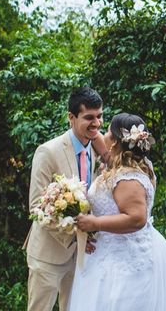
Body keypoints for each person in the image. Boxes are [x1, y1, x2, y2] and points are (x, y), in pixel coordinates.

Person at [68, 112, 166, 311]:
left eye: (107, 131)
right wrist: (83, 126)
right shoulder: (128, 165)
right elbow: (101, 142)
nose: (103, 135)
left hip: (125, 261)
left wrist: (95, 224)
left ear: (115, 142)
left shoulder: (127, 177)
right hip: (108, 251)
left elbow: (136, 218)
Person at [24, 86, 104, 311]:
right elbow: (36, 207)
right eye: (89, 117)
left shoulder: (97, 150)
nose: (96, 123)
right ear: (71, 117)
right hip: (48, 254)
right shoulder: (47, 152)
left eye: (99, 116)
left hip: (81, 258)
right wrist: (76, 235)